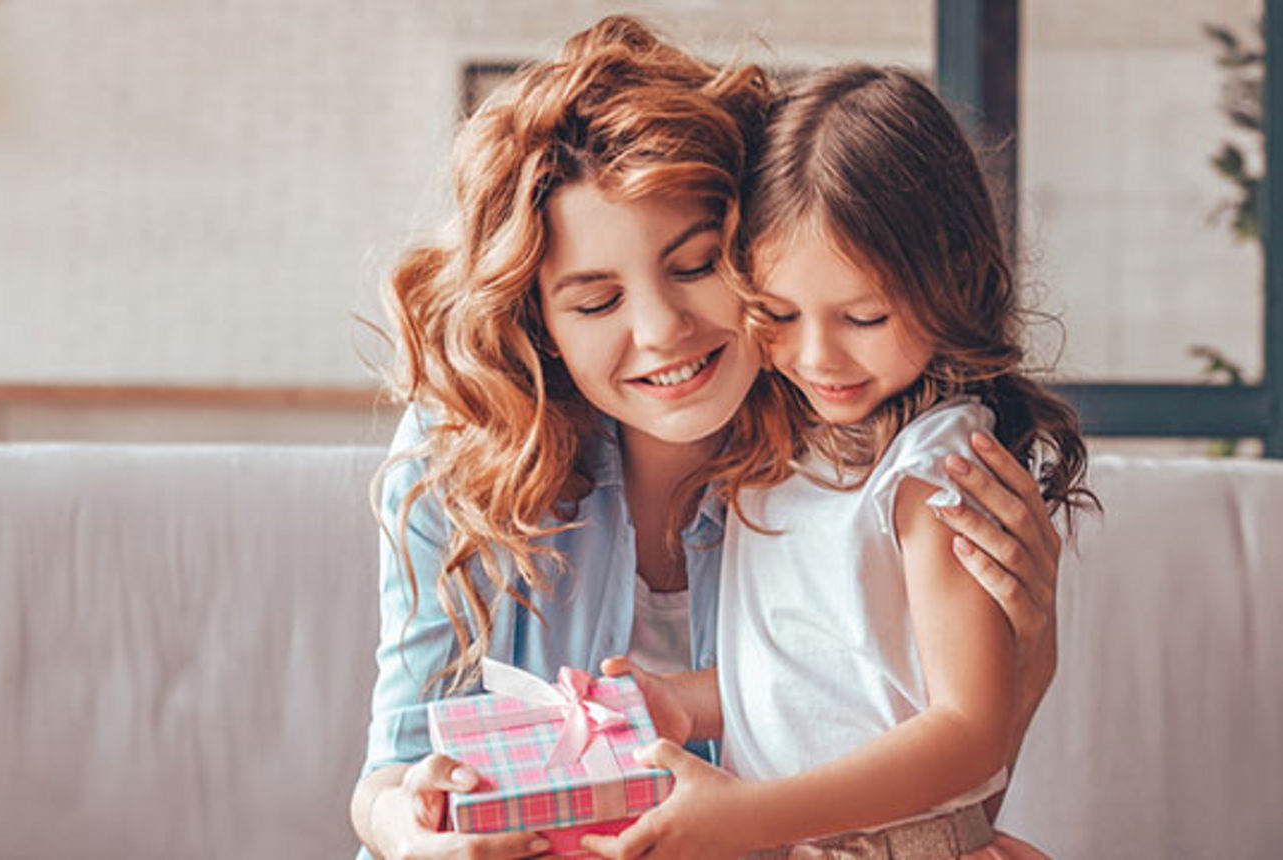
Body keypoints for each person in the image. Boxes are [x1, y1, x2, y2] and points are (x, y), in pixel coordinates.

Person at [349, 20, 1065, 860]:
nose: (661, 332)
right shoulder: (461, 451)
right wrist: (411, 831)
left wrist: (1028, 664)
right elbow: (385, 779)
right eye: (594, 302)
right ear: (539, 325)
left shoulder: (839, 458)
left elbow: (929, 784)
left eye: (694, 267)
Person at [580, 65, 1098, 860]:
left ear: (952, 274)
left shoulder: (937, 472)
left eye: (863, 316)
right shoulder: (790, 447)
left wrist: (753, 815)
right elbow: (835, 680)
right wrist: (681, 703)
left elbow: (971, 732)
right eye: (779, 315)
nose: (818, 358)